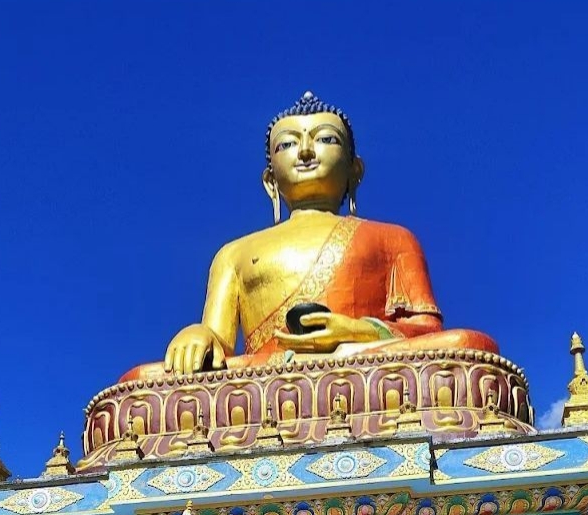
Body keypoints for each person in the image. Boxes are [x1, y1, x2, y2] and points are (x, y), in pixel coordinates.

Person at [123, 92, 498, 382]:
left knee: (467, 348)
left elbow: (425, 332)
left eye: (325, 139)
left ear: (356, 170)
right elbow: (220, 344)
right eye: (287, 144)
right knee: (139, 381)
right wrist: (198, 335)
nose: (304, 152)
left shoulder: (392, 238)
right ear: (270, 181)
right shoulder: (234, 254)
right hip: (261, 378)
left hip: (358, 365)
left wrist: (353, 331)